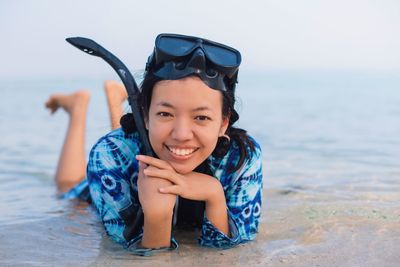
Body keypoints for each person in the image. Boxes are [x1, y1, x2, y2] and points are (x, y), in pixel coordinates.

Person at [46, 33, 263, 255]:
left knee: (146, 142)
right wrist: (157, 217)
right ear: (145, 114)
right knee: (66, 186)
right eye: (165, 113)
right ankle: (77, 108)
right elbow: (130, 253)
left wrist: (215, 196)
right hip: (97, 189)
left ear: (223, 123)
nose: (182, 134)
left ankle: (118, 99)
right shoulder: (109, 154)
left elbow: (232, 252)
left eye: (201, 117)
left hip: (147, 139)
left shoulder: (242, 157)